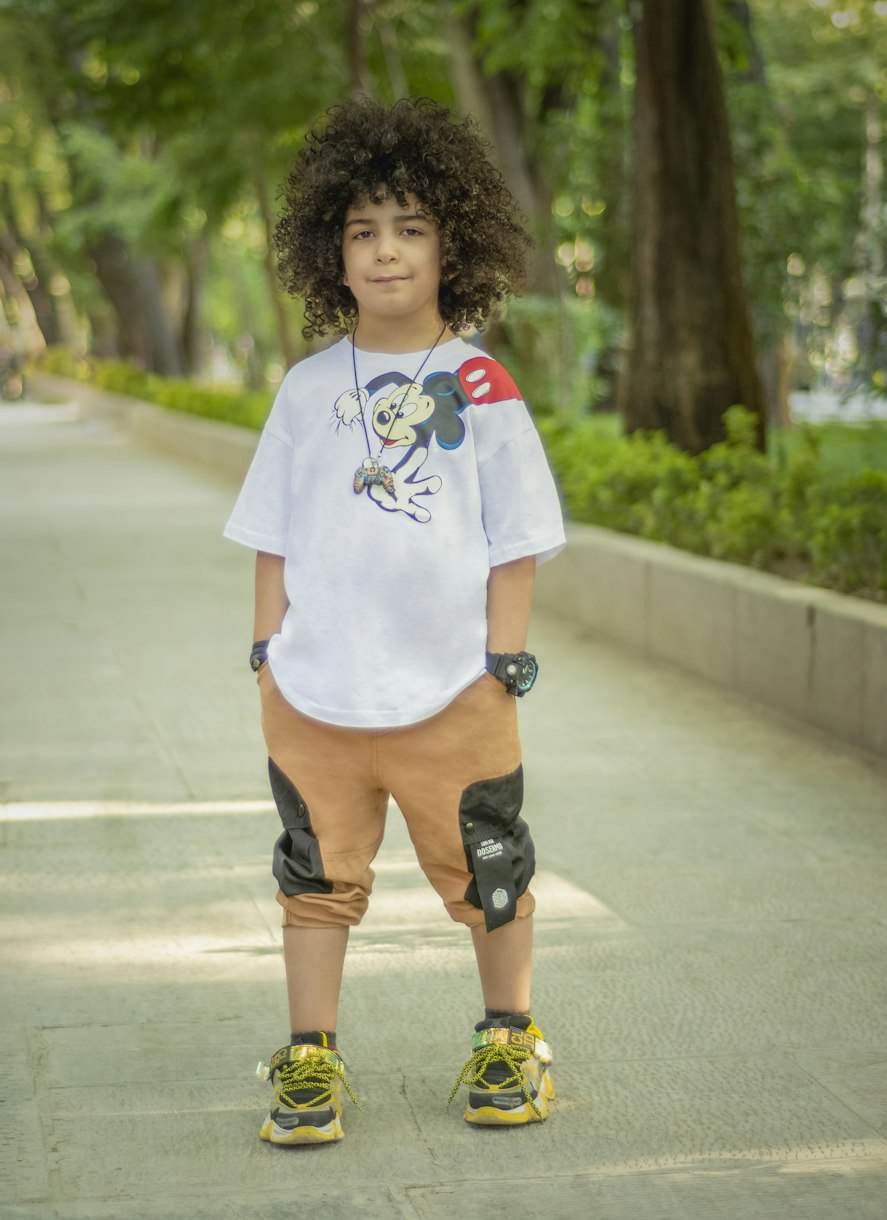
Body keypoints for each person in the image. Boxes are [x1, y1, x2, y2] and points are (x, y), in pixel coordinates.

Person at [224, 96, 566, 1147]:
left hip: (450, 691)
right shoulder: (307, 387)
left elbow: (516, 537)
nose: (384, 252)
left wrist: (498, 662)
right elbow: (272, 532)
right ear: (330, 248)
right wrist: (268, 653)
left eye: (409, 228)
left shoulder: (481, 382)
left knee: (488, 869)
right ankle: (310, 1058)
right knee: (315, 878)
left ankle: (508, 1034)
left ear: (450, 243)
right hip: (317, 693)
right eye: (363, 230)